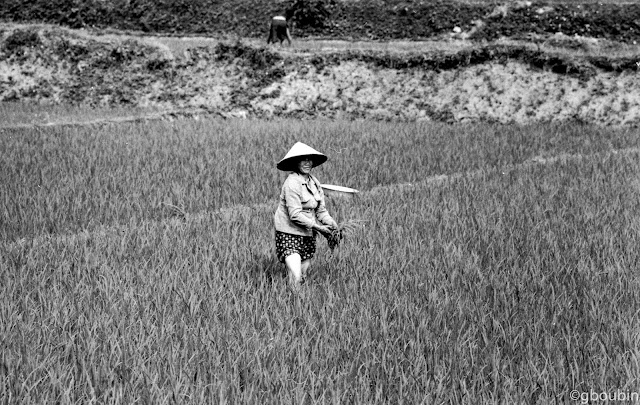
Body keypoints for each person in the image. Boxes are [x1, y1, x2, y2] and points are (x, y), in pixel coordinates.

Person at [274, 142, 338, 289]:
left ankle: (294, 302)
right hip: (288, 231)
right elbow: (295, 214)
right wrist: (319, 228)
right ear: (296, 162)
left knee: (302, 274)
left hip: (308, 233)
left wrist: (332, 224)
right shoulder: (292, 183)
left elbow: (321, 210)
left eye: (309, 159)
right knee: (296, 274)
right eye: (303, 159)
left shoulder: (314, 183)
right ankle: (294, 297)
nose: (307, 163)